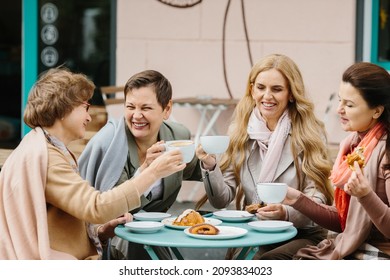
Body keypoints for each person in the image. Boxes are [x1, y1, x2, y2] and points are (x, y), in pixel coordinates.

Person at [0, 68, 185, 260]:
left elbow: (58, 223)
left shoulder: (43, 149)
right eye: (85, 107)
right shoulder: (48, 158)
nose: (89, 117)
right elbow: (96, 207)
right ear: (65, 109)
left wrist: (101, 232)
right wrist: (152, 173)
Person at [195, 53, 334, 259]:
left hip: (301, 234)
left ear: (291, 94)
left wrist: (285, 212)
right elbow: (221, 199)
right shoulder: (240, 130)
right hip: (255, 231)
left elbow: (318, 198)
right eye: (261, 87)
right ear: (252, 90)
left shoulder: (309, 134)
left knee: (264, 263)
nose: (267, 96)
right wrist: (209, 165)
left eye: (277, 89)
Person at [78, 69, 202, 259]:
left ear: (167, 109)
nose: (136, 116)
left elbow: (195, 170)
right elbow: (113, 208)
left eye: (145, 108)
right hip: (115, 235)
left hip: (157, 232)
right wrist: (148, 171)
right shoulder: (109, 143)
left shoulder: (177, 136)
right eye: (130, 107)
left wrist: (212, 162)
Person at [283, 62, 390, 259]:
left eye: (349, 105)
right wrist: (296, 199)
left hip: (379, 253)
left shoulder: (386, 150)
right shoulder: (352, 145)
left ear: (377, 111)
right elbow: (343, 221)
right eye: (340, 101)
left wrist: (366, 195)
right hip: (350, 244)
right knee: (271, 259)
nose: (339, 109)